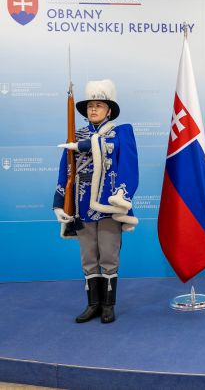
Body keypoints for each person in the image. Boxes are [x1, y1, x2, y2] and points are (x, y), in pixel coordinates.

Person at [53, 79, 139, 324]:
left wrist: (84, 145)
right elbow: (66, 171)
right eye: (90, 106)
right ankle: (93, 304)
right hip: (82, 204)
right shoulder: (76, 135)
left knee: (109, 255)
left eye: (99, 105)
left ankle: (109, 305)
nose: (93, 109)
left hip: (109, 205)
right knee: (88, 257)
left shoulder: (120, 133)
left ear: (109, 110)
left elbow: (120, 156)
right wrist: (59, 203)